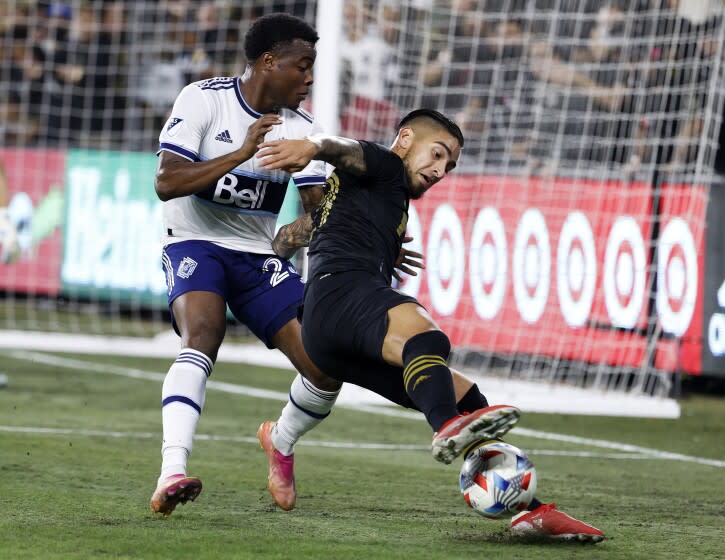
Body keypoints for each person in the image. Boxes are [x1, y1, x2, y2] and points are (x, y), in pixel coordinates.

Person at [256, 108, 606, 542]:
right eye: (437, 154)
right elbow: (346, 150)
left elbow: (290, 236)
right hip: (340, 296)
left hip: (326, 333)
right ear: (404, 140)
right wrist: (314, 146)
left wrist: (375, 241)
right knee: (425, 337)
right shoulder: (384, 164)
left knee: (466, 396)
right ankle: (444, 427)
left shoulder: (379, 198)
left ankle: (529, 512)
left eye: (450, 165)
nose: (440, 170)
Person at [149, 13, 347, 518]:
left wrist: (320, 228)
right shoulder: (204, 99)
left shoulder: (302, 130)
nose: (308, 79)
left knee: (326, 368)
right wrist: (242, 152)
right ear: (267, 62)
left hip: (258, 256)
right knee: (203, 335)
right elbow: (168, 182)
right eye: (301, 67)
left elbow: (317, 210)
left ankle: (280, 440)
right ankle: (172, 470)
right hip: (194, 241)